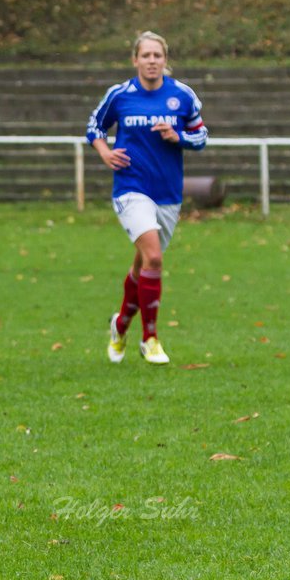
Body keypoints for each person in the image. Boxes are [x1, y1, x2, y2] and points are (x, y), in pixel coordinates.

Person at [86, 31, 208, 365]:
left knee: (143, 265)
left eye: (157, 55)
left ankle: (120, 325)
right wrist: (104, 152)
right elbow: (94, 127)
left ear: (165, 59)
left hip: (168, 193)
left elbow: (201, 138)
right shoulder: (120, 95)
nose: (152, 61)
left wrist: (177, 135)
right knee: (154, 257)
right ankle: (150, 338)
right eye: (146, 55)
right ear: (135, 60)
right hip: (130, 188)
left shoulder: (182, 96)